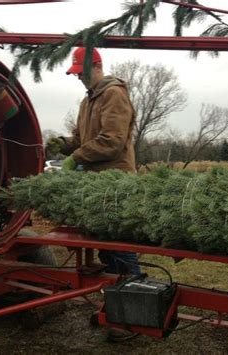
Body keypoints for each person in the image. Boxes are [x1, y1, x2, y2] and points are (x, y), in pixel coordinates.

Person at [53, 46, 141, 276]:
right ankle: (118, 297)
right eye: (76, 73)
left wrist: (75, 158)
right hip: (95, 183)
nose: (79, 77)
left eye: (81, 71)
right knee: (105, 246)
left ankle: (135, 292)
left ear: (97, 66)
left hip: (115, 180)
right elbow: (81, 140)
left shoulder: (114, 94)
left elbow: (112, 141)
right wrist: (62, 144)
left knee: (118, 243)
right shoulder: (87, 101)